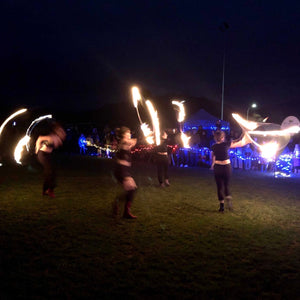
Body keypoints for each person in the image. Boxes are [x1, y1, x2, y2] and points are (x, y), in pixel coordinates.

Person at [210, 130, 251, 212]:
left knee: (219, 187)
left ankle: (221, 206)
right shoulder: (226, 144)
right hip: (226, 167)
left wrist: (213, 164)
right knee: (226, 185)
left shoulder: (213, 146)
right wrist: (247, 137)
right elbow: (240, 143)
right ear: (222, 138)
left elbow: (213, 155)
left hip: (217, 167)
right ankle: (229, 201)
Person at [35, 123, 66, 198]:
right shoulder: (51, 136)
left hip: (48, 155)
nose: (62, 133)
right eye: (60, 131)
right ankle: (50, 190)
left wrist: (60, 139)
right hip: (42, 154)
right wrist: (37, 148)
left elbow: (62, 137)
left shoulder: (57, 139)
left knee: (52, 172)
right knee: (49, 171)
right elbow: (40, 138)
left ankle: (45, 190)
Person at [113, 126, 138, 219]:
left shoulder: (126, 143)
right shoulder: (123, 141)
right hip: (121, 169)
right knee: (132, 189)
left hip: (124, 169)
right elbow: (132, 142)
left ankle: (122, 208)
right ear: (124, 134)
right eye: (128, 133)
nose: (130, 134)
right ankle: (120, 206)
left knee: (133, 189)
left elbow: (133, 143)